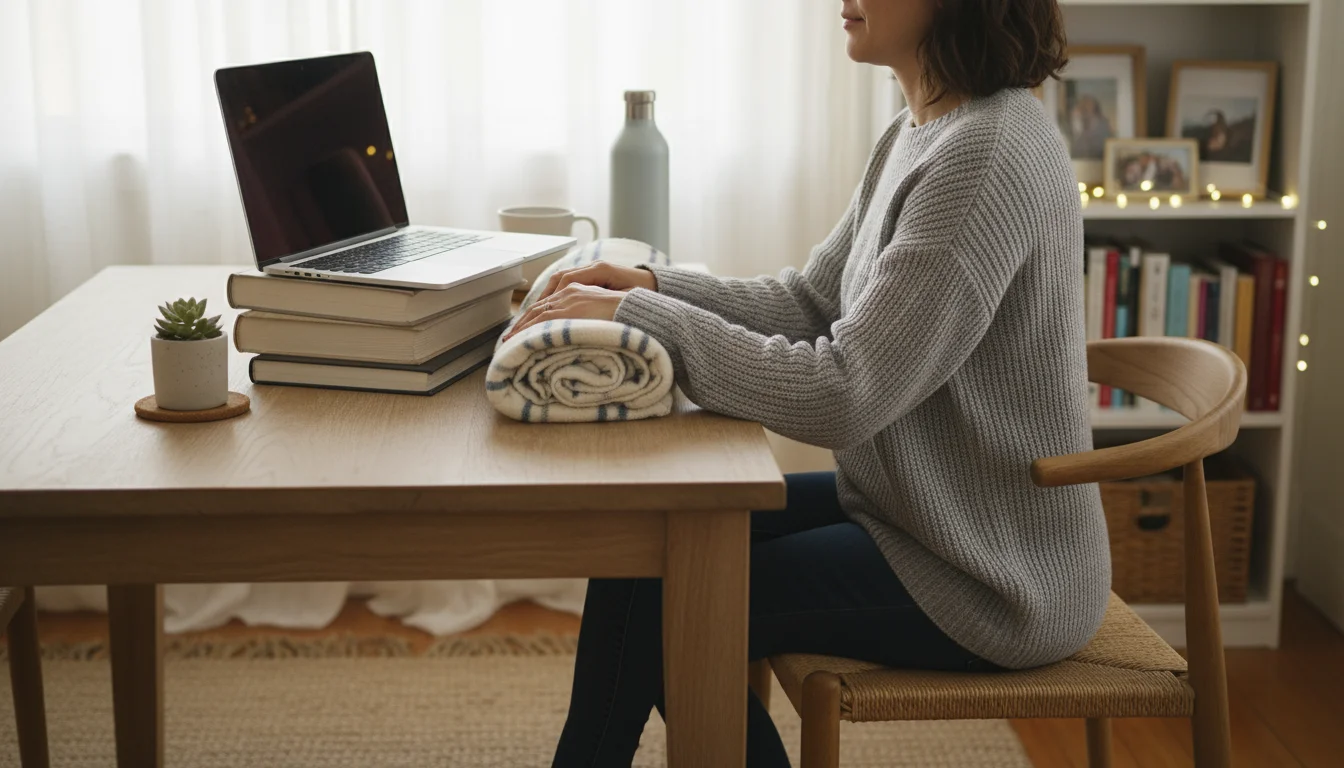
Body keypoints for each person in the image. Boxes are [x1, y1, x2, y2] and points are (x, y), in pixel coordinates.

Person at [508, 1, 1109, 764]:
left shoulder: (985, 156)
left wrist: (645, 317)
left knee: (682, 608)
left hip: (990, 573)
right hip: (912, 515)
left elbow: (845, 393)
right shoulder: (922, 130)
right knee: (644, 548)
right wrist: (652, 287)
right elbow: (811, 303)